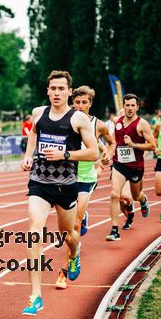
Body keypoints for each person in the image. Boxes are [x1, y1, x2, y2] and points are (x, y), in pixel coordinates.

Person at [21, 70, 98, 316]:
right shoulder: (38, 113)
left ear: (68, 91)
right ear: (47, 90)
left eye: (61, 89)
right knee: (34, 230)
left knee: (70, 236)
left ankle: (74, 254)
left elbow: (94, 152)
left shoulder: (78, 119)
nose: (56, 93)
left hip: (66, 186)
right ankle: (36, 296)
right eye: (52, 88)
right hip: (40, 183)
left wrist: (66, 155)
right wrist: (27, 155)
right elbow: (33, 133)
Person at [55, 85, 114, 290]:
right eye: (77, 102)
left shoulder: (99, 125)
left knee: (75, 224)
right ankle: (80, 225)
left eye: (84, 102)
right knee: (64, 229)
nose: (80, 106)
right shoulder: (67, 121)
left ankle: (66, 268)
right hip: (66, 177)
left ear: (90, 103)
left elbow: (110, 143)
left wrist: (106, 156)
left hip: (86, 177)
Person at [106, 94, 157, 241]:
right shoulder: (117, 122)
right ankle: (114, 230)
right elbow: (113, 141)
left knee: (134, 196)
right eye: (127, 105)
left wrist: (134, 145)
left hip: (135, 167)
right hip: (119, 165)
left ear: (137, 107)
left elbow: (153, 145)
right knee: (115, 195)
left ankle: (142, 199)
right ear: (123, 106)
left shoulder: (142, 124)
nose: (129, 108)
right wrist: (109, 154)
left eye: (132, 105)